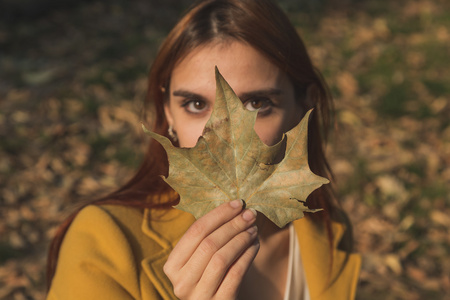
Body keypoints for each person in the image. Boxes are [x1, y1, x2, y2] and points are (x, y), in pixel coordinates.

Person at [46, 0, 361, 299]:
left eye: (256, 103)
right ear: (168, 112)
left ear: (302, 107)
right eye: (196, 104)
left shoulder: (327, 232)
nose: (225, 137)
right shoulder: (104, 241)